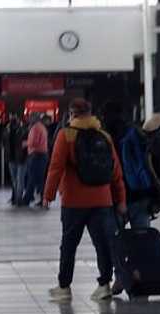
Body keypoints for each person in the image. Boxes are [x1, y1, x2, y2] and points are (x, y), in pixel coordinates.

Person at [42, 98, 127, 303]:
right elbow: (116, 172)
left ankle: (64, 287)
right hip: (102, 200)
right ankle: (104, 285)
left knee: (69, 245)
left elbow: (56, 168)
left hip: (74, 201)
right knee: (102, 244)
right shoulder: (104, 136)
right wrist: (121, 199)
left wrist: (48, 195)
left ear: (72, 114)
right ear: (90, 114)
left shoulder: (66, 135)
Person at [119, 113, 160, 229]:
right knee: (142, 238)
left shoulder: (118, 138)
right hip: (142, 197)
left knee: (114, 241)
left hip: (121, 199)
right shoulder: (143, 140)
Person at [22, 114, 49, 206]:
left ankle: (27, 199)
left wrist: (26, 143)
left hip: (36, 155)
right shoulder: (42, 127)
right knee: (40, 179)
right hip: (43, 155)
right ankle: (44, 199)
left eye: (30, 118)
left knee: (32, 177)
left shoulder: (35, 128)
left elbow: (35, 142)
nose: (29, 119)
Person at [5, 114, 28, 205]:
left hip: (13, 157)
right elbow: (25, 144)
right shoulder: (23, 130)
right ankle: (18, 199)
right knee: (19, 179)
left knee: (16, 180)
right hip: (19, 158)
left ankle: (17, 198)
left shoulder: (7, 130)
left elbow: (4, 143)